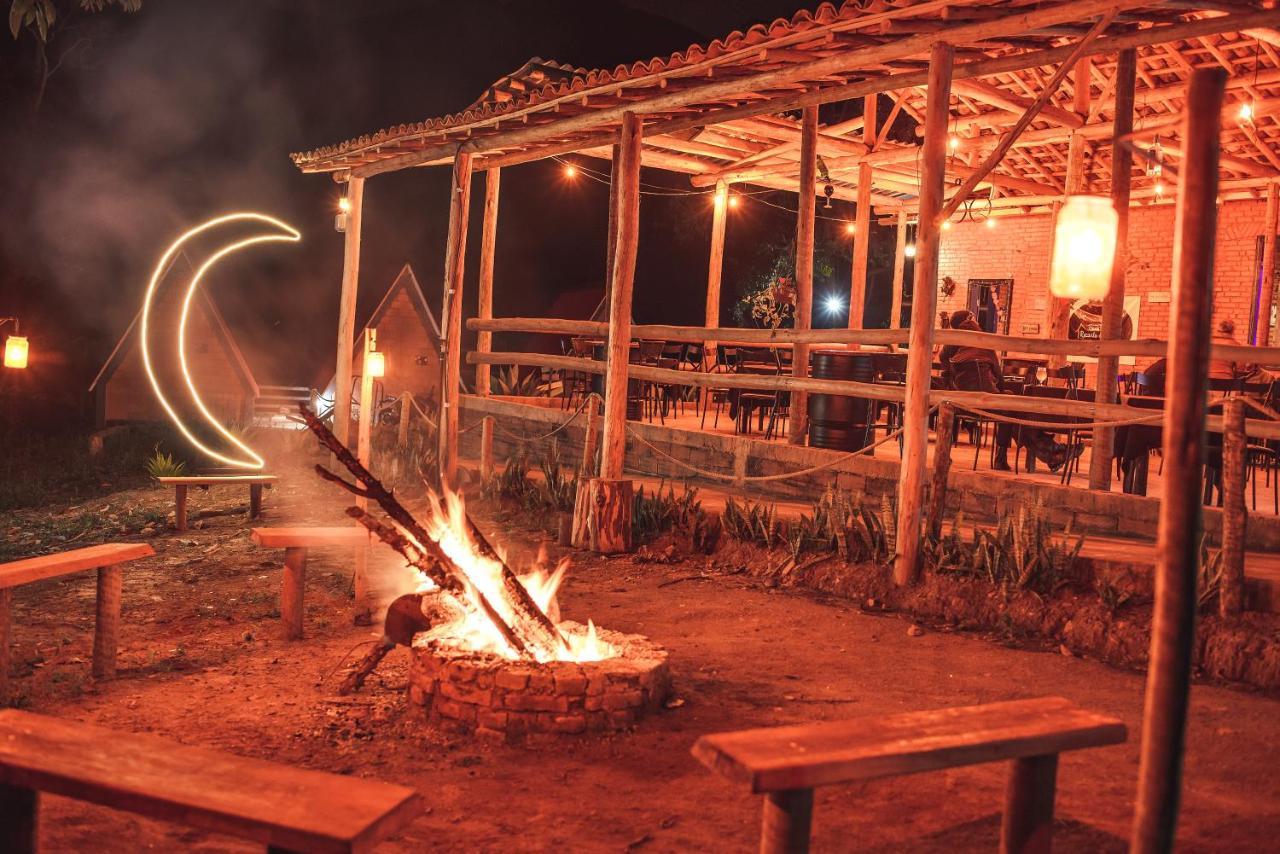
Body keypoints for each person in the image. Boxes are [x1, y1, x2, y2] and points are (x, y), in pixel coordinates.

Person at [939, 310, 1073, 472]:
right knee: (1010, 403)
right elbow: (999, 376)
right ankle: (1043, 451)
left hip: (960, 403)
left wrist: (954, 391)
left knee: (1010, 409)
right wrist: (1000, 392)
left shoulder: (949, 346)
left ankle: (1049, 451)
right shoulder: (984, 342)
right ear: (970, 321)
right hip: (984, 402)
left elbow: (945, 373)